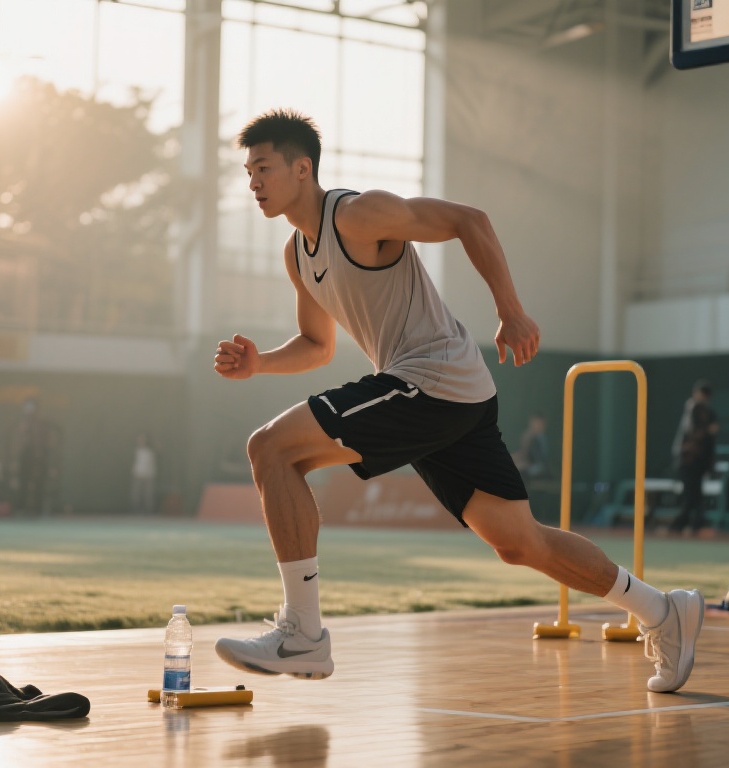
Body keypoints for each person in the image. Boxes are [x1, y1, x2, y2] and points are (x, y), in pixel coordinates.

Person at [212, 109, 703, 692]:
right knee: (520, 543)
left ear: (302, 168)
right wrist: (261, 363)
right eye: (248, 172)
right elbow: (318, 346)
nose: (254, 182)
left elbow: (470, 220)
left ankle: (303, 634)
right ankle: (662, 610)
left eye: (263, 168)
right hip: (453, 393)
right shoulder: (298, 254)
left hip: (432, 379)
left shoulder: (358, 214)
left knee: (270, 448)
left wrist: (511, 311)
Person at [669, 381, 719, 535]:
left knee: (695, 492)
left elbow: (711, 432)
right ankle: (684, 524)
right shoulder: (693, 408)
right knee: (691, 492)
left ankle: (691, 523)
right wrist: (707, 431)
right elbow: (696, 432)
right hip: (688, 458)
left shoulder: (705, 411)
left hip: (698, 459)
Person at [513, 411, 551, 479]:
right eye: (533, 423)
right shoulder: (530, 436)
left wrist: (525, 464)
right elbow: (523, 453)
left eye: (537, 423)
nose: (534, 426)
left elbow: (540, 460)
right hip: (530, 465)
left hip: (539, 468)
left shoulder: (541, 438)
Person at [130, 433, 157, 515]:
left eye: (143, 439)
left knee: (148, 495)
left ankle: (148, 512)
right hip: (137, 475)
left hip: (148, 476)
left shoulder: (150, 451)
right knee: (136, 494)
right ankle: (136, 511)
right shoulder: (134, 450)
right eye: (139, 439)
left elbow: (152, 464)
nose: (141, 441)